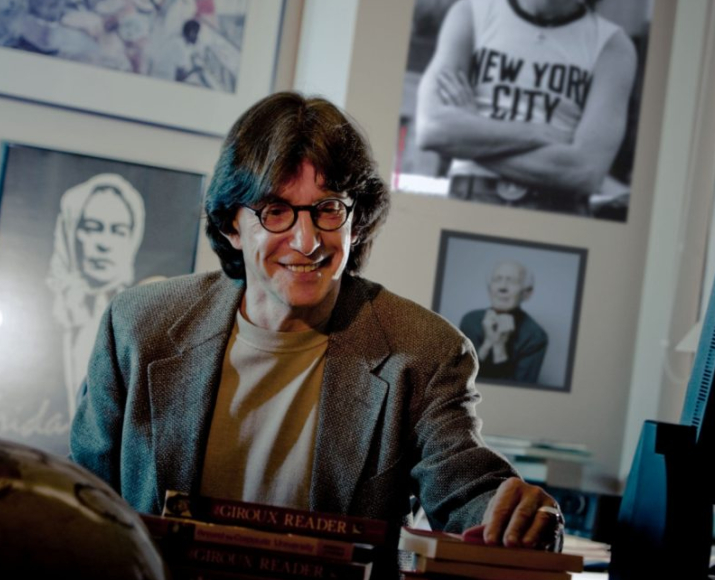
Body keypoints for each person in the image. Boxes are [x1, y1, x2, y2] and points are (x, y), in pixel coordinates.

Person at [70, 92, 563, 570]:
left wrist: (521, 515)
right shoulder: (138, 326)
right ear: (232, 226)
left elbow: (467, 489)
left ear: (356, 221)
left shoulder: (425, 352)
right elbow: (83, 504)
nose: (306, 241)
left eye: (328, 208)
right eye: (276, 211)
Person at [415, 0, 637, 216]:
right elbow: (432, 129)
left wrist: (471, 137)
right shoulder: (471, 11)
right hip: (471, 196)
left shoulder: (613, 45)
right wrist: (536, 133)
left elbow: (584, 173)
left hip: (557, 210)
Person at [47, 173, 145, 418]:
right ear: (70, 231)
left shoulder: (141, 319)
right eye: (92, 228)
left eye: (118, 231)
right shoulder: (53, 311)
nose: (105, 244)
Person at [460, 260, 548, 383]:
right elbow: (459, 378)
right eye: (497, 279)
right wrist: (487, 344)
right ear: (490, 289)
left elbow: (520, 392)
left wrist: (499, 348)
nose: (502, 287)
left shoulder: (536, 336)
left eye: (512, 281)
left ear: (527, 293)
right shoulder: (470, 320)